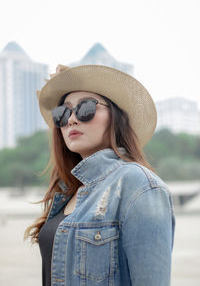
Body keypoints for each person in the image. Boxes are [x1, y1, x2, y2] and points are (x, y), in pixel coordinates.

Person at [24, 64, 175, 286]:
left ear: (116, 118)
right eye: (63, 113)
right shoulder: (68, 191)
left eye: (85, 108)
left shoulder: (139, 185)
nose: (72, 120)